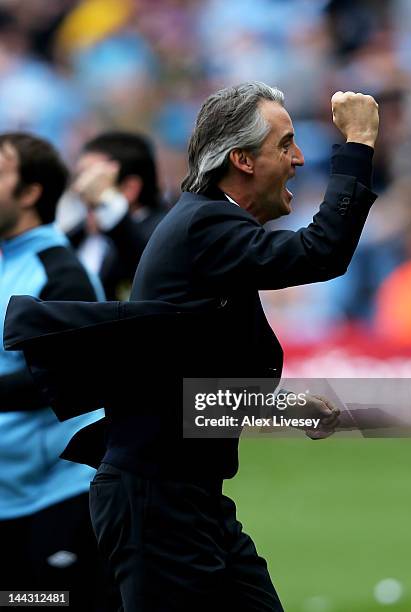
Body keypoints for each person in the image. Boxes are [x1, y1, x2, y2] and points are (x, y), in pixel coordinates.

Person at [3, 83, 379, 611]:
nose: (298, 159)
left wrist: (282, 407)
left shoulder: (209, 229)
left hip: (187, 501)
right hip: (156, 502)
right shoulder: (205, 224)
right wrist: (359, 142)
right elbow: (320, 252)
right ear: (242, 160)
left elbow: (185, 391)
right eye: (285, 144)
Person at [0, 133, 114, 610]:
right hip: (8, 491)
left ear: (29, 194)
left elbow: (72, 378)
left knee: (44, 603)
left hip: (55, 495)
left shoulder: (59, 270)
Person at [57, 131, 168, 299]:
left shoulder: (163, 233)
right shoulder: (79, 233)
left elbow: (144, 265)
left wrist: (106, 200)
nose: (80, 188)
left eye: (93, 179)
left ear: (130, 188)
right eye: (79, 176)